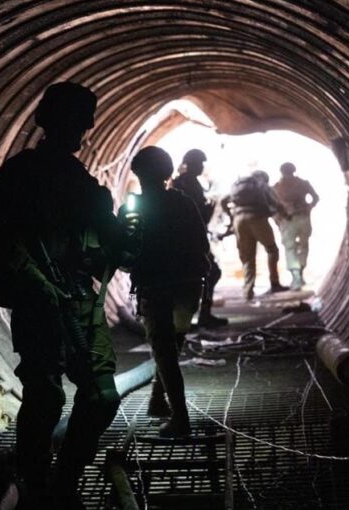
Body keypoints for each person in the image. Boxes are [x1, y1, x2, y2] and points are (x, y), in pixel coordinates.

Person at [0, 82, 125, 509]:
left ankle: (64, 481)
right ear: (53, 121)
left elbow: (106, 246)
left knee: (102, 395)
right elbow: (2, 239)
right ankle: (36, 486)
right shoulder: (19, 174)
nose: (85, 127)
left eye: (86, 119)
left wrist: (121, 241)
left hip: (80, 302)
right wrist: (35, 281)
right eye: (79, 118)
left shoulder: (80, 179)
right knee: (45, 395)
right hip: (38, 302)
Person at [119, 146, 209, 437]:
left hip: (155, 288)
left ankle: (180, 418)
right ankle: (159, 401)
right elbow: (202, 245)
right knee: (173, 344)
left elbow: (123, 254)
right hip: (188, 286)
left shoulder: (133, 210)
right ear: (169, 173)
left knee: (164, 349)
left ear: (137, 174)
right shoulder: (184, 203)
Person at [171, 149, 228, 328]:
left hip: (187, 238)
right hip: (188, 240)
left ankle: (192, 316)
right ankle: (197, 316)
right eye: (199, 163)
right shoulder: (187, 183)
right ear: (191, 164)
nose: (201, 167)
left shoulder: (183, 182)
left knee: (204, 274)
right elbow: (192, 212)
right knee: (209, 273)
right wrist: (208, 208)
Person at [220, 170, 287, 300]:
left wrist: (231, 215)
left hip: (238, 221)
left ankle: (248, 292)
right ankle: (274, 283)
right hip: (258, 219)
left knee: (247, 257)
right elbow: (276, 204)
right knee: (272, 250)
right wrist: (286, 216)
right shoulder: (261, 185)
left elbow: (223, 200)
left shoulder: (238, 185)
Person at [271, 162, 319, 290]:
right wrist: (309, 207)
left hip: (287, 220)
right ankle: (301, 274)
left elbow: (273, 206)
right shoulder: (303, 183)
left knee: (290, 248)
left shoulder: (276, 187)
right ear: (294, 170)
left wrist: (278, 219)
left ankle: (296, 277)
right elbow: (315, 198)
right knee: (304, 245)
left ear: (281, 172)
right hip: (304, 217)